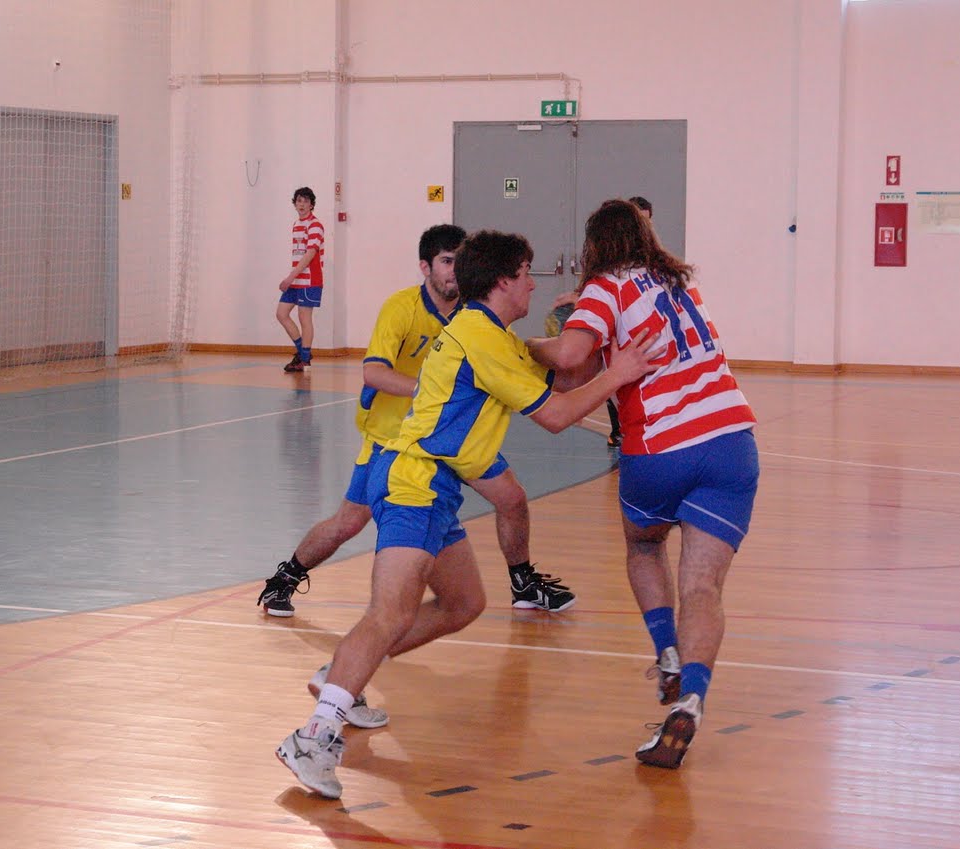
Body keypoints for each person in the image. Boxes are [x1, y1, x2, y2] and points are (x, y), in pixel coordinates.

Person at [275, 230, 659, 799]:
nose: (533, 284)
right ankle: (313, 736)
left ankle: (341, 676)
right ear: (503, 281)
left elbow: (560, 376)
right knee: (389, 614)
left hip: (435, 484)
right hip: (415, 482)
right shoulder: (481, 337)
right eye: (526, 273)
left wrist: (595, 344)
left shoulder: (490, 333)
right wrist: (617, 374)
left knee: (464, 604)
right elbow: (557, 415)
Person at [528, 199, 759, 769]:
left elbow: (570, 356)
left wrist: (519, 345)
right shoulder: (679, 281)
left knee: (644, 545)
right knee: (702, 588)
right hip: (731, 440)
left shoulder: (604, 287)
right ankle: (692, 699)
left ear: (594, 246)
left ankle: (668, 654)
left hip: (661, 445)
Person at [259, 225, 578, 627]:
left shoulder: (476, 314)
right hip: (396, 438)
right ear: (425, 267)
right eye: (446, 261)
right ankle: (286, 577)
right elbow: (373, 372)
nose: (454, 270)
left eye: (459, 261)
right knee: (349, 522)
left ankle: (523, 583)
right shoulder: (402, 308)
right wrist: (436, 390)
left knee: (511, 498)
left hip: (450, 436)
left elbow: (524, 365)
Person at [545, 196, 654, 450]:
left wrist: (528, 347)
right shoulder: (668, 275)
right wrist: (581, 299)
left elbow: (567, 355)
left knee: (616, 377)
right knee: (612, 376)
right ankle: (619, 432)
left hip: (644, 364)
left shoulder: (623, 280)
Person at [277, 187, 325, 373]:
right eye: (299, 201)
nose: (302, 204)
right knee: (281, 314)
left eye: (306, 201)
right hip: (296, 279)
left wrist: (290, 277)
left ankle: (304, 360)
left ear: (311, 204)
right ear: (295, 203)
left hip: (310, 280)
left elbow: (310, 253)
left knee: (304, 318)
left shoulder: (315, 225)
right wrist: (293, 278)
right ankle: (303, 353)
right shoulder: (296, 224)